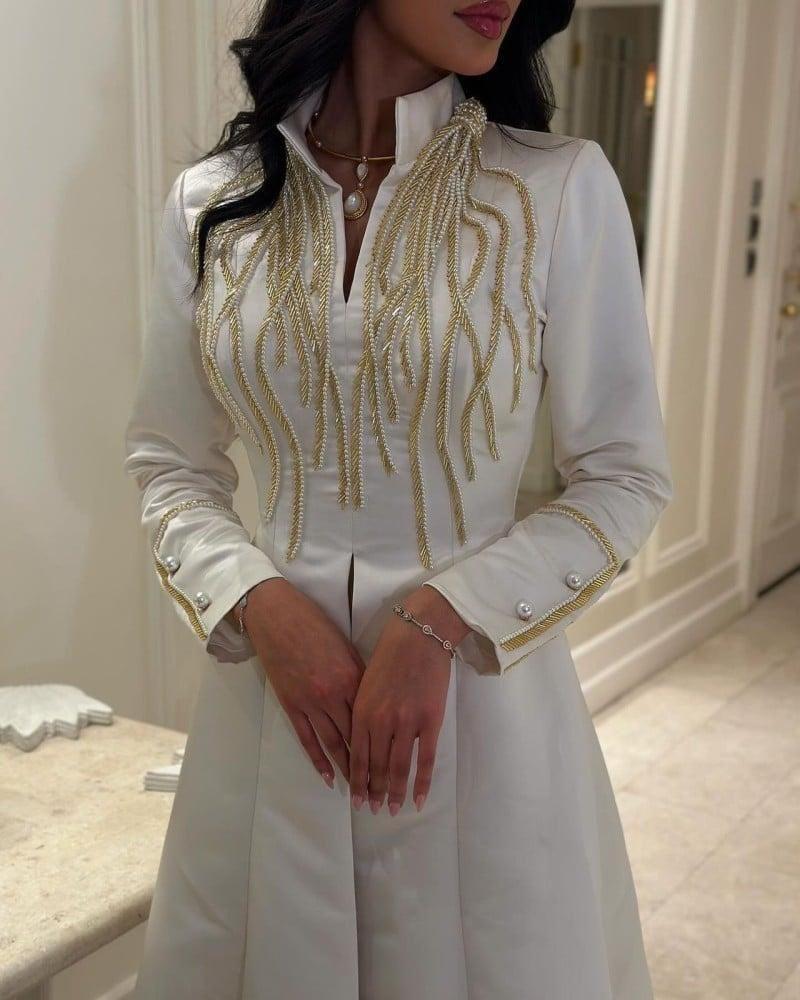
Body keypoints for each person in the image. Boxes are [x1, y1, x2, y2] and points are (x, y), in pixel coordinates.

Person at [123, 0, 673, 996]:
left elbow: (624, 476)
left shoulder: (555, 187)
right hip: (275, 715)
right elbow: (170, 460)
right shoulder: (213, 202)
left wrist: (439, 619)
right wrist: (258, 599)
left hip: (479, 721)